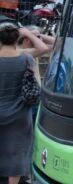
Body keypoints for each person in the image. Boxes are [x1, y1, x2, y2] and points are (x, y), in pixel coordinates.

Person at [1, 19, 38, 184]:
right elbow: (37, 87)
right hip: (19, 116)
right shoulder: (27, 59)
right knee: (17, 151)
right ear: (17, 39)